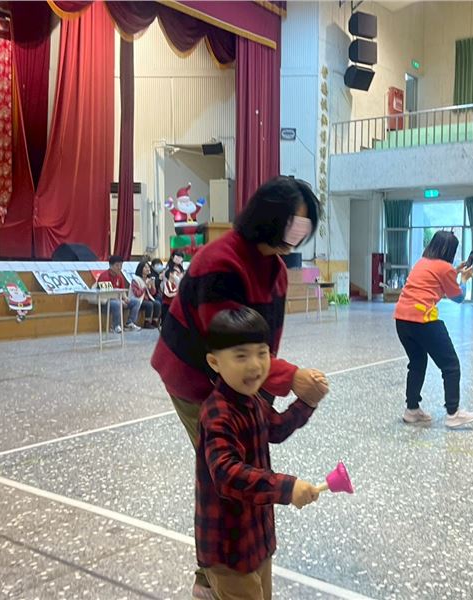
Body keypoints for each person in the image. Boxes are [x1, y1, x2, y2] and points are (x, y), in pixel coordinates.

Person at [150, 176, 329, 599]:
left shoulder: (277, 270)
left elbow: (262, 347)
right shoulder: (221, 262)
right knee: (226, 470)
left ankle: (234, 558)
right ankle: (215, 573)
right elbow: (227, 345)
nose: (299, 233)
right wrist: (289, 377)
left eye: (305, 226)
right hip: (194, 375)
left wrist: (289, 397)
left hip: (238, 380)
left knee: (246, 458)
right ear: (269, 217)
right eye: (294, 223)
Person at [197, 307, 324, 599]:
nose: (255, 365)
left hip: (255, 537)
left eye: (262, 353)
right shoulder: (217, 414)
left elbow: (275, 428)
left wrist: (306, 402)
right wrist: (287, 487)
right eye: (241, 356)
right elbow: (227, 475)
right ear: (215, 362)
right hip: (227, 549)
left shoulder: (251, 399)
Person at [393, 231, 473, 428]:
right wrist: (464, 279)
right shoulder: (445, 268)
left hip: (402, 320)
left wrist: (455, 271)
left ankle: (411, 409)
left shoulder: (422, 262)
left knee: (417, 363)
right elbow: (458, 297)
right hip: (423, 320)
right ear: (450, 251)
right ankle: (453, 413)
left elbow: (435, 278)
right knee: (451, 365)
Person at [97, 255, 141, 333]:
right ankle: (115, 326)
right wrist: (120, 301)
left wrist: (125, 298)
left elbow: (122, 290)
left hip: (118, 299)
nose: (119, 268)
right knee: (117, 304)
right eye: (117, 265)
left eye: (121, 265)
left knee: (136, 301)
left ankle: (130, 323)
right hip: (105, 302)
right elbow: (106, 295)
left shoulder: (120, 277)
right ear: (110, 266)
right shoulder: (104, 276)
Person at [130, 260, 162, 329]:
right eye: (145, 267)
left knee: (157, 303)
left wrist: (153, 286)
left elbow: (153, 293)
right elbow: (137, 294)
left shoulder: (148, 279)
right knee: (149, 304)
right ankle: (146, 323)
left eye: (148, 267)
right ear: (140, 269)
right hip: (138, 300)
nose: (148, 269)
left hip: (147, 299)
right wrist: (145, 286)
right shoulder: (135, 279)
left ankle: (154, 322)